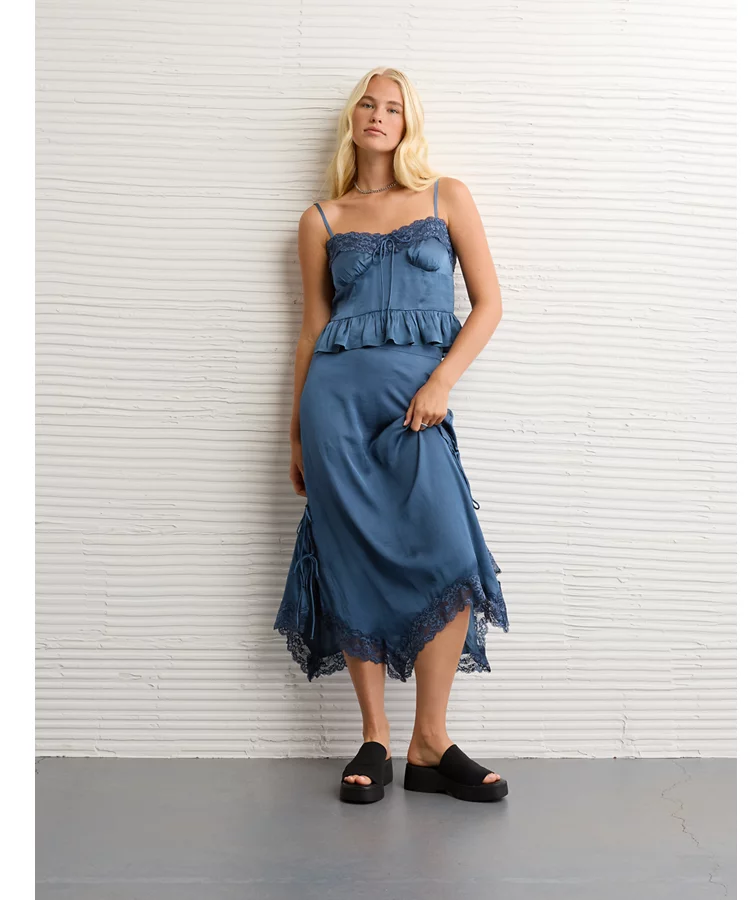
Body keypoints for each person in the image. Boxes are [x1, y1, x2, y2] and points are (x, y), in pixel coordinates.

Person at [273, 67, 510, 804]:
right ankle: (375, 736)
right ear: (353, 119)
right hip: (334, 410)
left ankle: (430, 741)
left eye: (394, 107)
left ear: (409, 123)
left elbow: (489, 304)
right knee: (350, 559)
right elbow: (311, 331)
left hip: (416, 407)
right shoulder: (321, 219)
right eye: (368, 105)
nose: (379, 115)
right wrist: (294, 436)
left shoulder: (446, 196)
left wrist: (442, 383)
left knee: (450, 550)